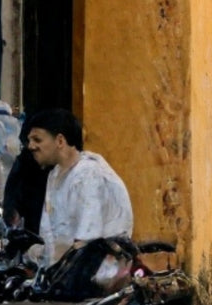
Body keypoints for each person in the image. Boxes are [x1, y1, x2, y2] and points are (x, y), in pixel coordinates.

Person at [26, 109, 132, 265]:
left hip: (98, 272)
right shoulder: (55, 174)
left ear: (60, 141)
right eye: (30, 140)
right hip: (67, 270)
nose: (31, 146)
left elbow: (86, 241)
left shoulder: (88, 173)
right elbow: (51, 237)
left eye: (37, 140)